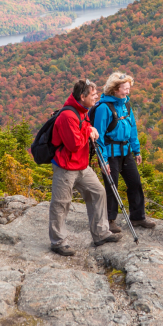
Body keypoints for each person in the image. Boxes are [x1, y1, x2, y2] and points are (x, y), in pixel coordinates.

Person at [49, 79, 122, 256]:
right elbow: (74, 144)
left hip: (81, 165)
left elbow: (85, 125)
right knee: (61, 204)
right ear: (82, 97)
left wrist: (90, 128)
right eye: (93, 94)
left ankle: (100, 233)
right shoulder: (68, 116)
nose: (97, 96)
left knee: (98, 192)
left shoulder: (82, 111)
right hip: (66, 167)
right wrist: (88, 132)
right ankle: (58, 241)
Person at [93, 72, 155, 233]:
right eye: (125, 89)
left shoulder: (126, 105)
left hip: (126, 151)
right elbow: (98, 136)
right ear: (114, 89)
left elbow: (132, 128)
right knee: (111, 185)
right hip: (110, 152)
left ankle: (137, 217)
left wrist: (137, 150)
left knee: (135, 182)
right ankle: (110, 219)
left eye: (128, 88)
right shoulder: (103, 108)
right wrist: (103, 160)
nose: (128, 91)